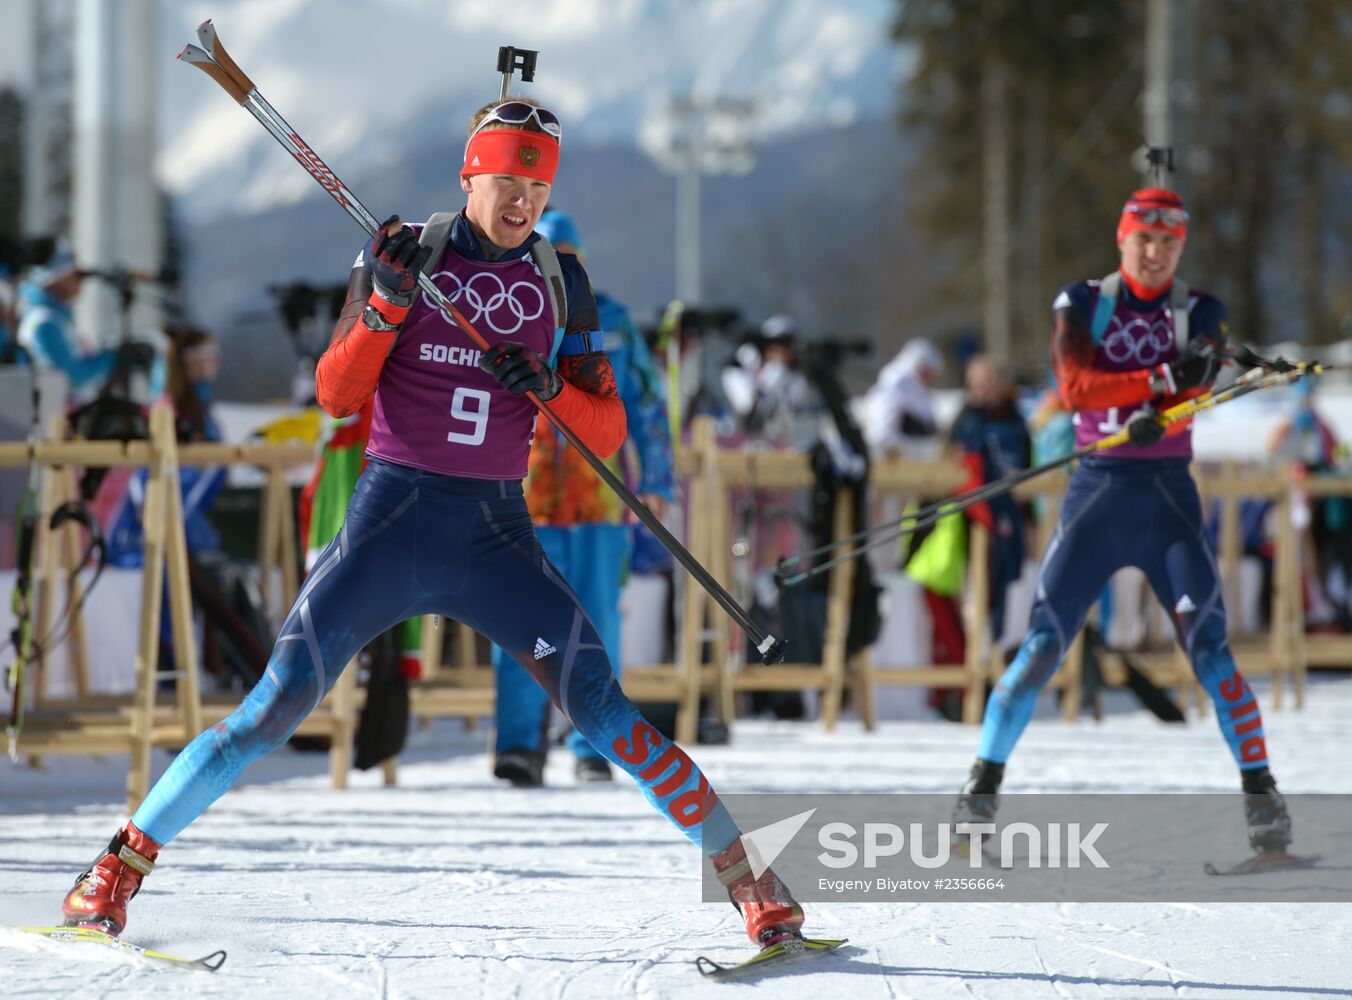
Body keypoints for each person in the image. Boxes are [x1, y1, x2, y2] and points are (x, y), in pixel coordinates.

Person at [59, 87, 807, 953]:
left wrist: (549, 387)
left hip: (494, 537)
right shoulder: (407, 254)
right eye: (507, 184)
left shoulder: (561, 281)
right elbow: (337, 394)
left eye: (538, 188)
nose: (523, 203)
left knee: (605, 711)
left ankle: (752, 883)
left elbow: (607, 432)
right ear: (469, 178)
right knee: (273, 708)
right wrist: (385, 303)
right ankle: (115, 868)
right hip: (392, 521)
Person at [954, 187, 1293, 859]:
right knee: (1042, 647)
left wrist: (1172, 384)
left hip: (1168, 501)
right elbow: (1075, 387)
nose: (1156, 253)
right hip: (1097, 497)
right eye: (1145, 239)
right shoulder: (1081, 303)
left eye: (1169, 243)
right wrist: (1159, 378)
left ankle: (1263, 797)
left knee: (1210, 650)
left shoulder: (1201, 311)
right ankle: (980, 791)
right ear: (1122, 238)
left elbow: (1198, 384)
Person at [491, 207, 675, 786]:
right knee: (521, 621)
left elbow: (648, 404)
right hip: (524, 497)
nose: (560, 269)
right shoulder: (507, 311)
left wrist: (658, 480)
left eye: (569, 259)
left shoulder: (611, 320)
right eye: (548, 257)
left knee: (595, 624)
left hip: (599, 498)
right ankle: (519, 744)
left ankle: (595, 742)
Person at [16, 241, 153, 402]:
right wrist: (114, 358)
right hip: (55, 413)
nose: (81, 281)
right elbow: (73, 378)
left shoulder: (53, 318)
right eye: (74, 274)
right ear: (56, 278)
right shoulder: (44, 322)